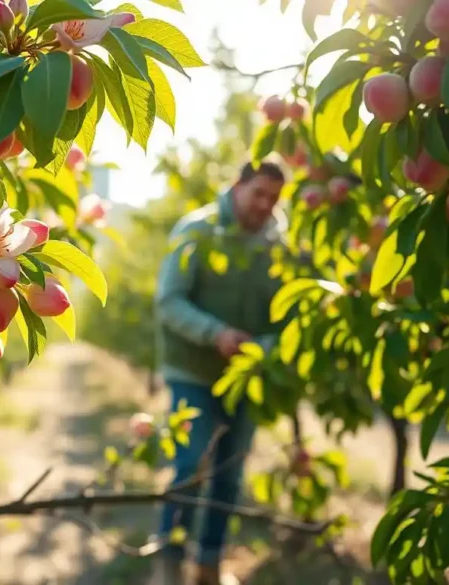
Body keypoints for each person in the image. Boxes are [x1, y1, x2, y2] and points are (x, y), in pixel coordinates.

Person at [150, 161, 287, 585]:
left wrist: (262, 348)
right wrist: (216, 334)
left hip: (247, 375)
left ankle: (208, 565)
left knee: (230, 473)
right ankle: (168, 561)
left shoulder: (279, 244)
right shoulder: (198, 230)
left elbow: (289, 317)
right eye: (258, 194)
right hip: (192, 369)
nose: (265, 205)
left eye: (273, 198)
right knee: (189, 464)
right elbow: (169, 300)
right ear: (237, 186)